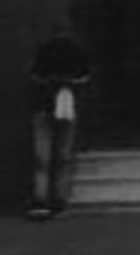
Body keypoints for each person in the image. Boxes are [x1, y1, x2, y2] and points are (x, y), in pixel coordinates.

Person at [26, 24, 93, 219]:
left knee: (42, 158)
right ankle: (60, 198)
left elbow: (34, 75)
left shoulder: (44, 51)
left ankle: (41, 198)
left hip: (43, 106)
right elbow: (85, 76)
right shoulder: (77, 53)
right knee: (63, 155)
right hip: (67, 105)